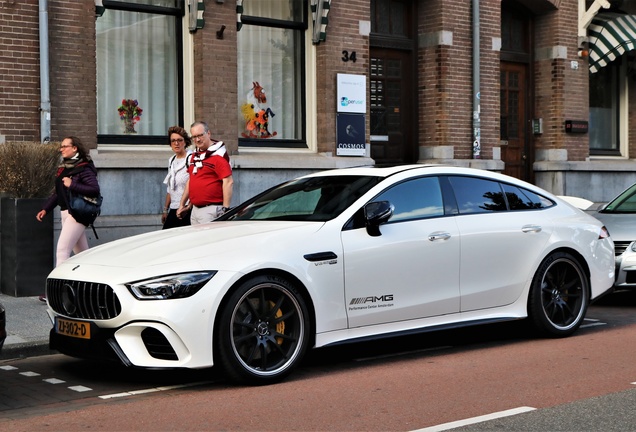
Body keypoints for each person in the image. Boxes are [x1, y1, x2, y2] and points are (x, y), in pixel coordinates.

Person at [36, 136, 100, 302]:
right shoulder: (64, 168)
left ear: (75, 149)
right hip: (66, 213)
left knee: (62, 250)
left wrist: (72, 185)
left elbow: (94, 189)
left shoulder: (84, 168)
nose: (61, 149)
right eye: (61, 147)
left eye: (65, 146)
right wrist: (45, 208)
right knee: (83, 255)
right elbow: (57, 193)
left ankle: (56, 294)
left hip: (77, 213)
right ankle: (95, 289)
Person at [177, 121, 233, 224]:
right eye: (194, 137)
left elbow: (228, 182)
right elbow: (192, 180)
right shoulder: (195, 155)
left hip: (211, 209)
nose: (197, 139)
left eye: (200, 135)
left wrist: (225, 209)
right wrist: (183, 204)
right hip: (195, 210)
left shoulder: (218, 155)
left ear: (208, 133)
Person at [162, 126, 192, 229]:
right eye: (173, 141)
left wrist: (188, 207)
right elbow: (170, 189)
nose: (176, 143)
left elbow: (196, 185)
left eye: (180, 140)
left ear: (185, 142)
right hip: (173, 208)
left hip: (187, 209)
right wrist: (165, 210)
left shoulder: (191, 158)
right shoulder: (171, 161)